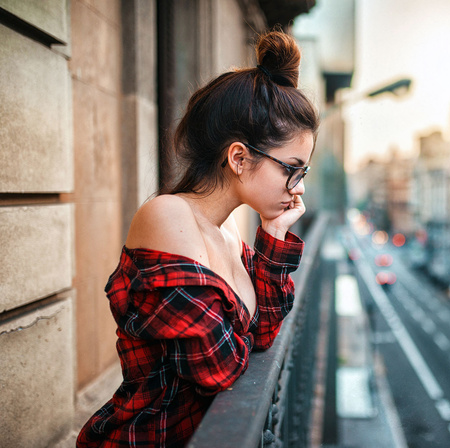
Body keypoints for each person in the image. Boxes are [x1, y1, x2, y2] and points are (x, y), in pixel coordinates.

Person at [77, 29, 319, 447]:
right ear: (239, 158)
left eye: (303, 172)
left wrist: (275, 236)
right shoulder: (167, 216)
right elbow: (217, 369)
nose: (297, 186)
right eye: (291, 168)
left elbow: (262, 334)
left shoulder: (227, 234)